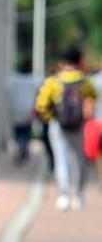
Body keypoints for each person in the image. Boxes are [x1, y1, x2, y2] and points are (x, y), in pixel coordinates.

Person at [36, 46, 97, 210]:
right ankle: (78, 195)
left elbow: (41, 104)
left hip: (58, 124)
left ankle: (64, 197)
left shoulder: (53, 81)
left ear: (63, 62)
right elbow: (93, 97)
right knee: (78, 160)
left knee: (60, 160)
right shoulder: (84, 80)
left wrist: (50, 119)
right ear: (79, 62)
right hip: (79, 125)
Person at [5, 59, 40, 166]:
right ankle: (24, 150)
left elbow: (7, 93)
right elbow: (39, 94)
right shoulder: (34, 80)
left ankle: (20, 148)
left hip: (16, 109)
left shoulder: (12, 80)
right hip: (29, 109)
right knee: (26, 131)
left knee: (18, 131)